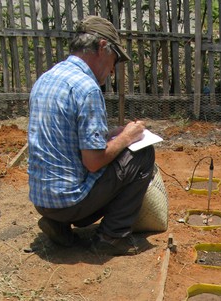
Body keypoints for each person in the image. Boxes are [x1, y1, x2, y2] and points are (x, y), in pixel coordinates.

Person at [27, 15, 155, 256]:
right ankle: (111, 237)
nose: (112, 71)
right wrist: (127, 137)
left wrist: (111, 135)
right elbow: (94, 162)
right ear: (103, 47)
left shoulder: (46, 78)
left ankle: (59, 226)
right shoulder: (86, 88)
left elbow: (65, 141)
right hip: (71, 203)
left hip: (42, 201)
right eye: (114, 61)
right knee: (143, 154)